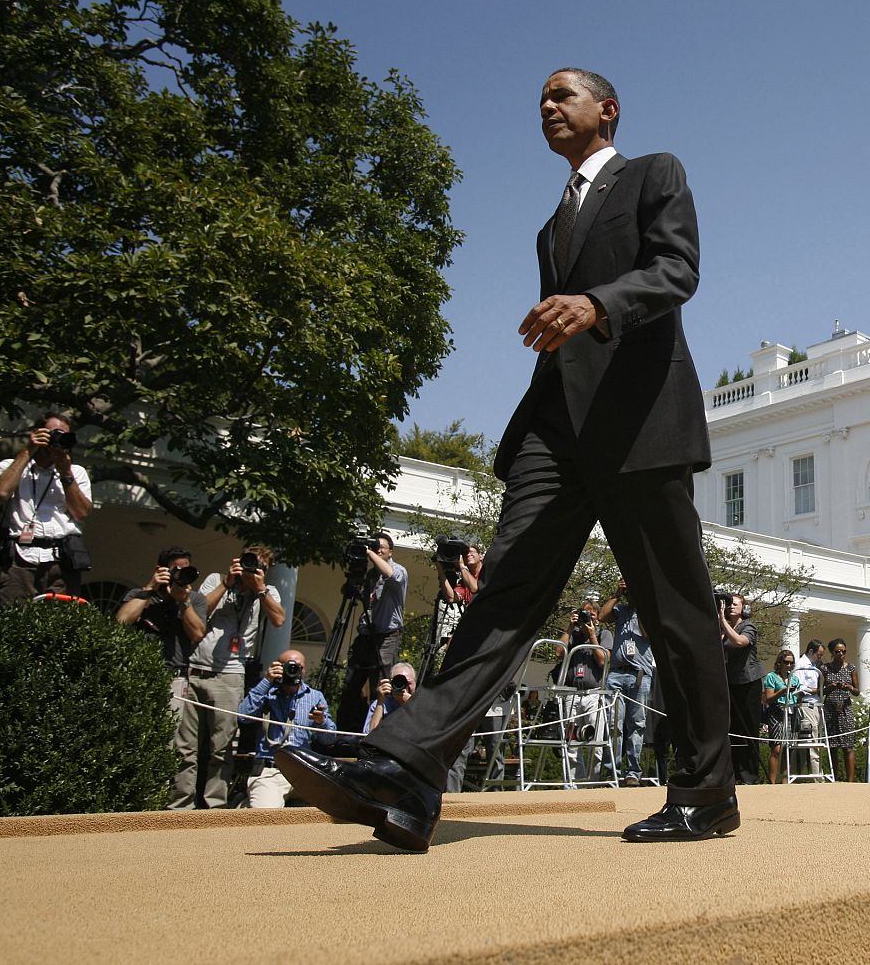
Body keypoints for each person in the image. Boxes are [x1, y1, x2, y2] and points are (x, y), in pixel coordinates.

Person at [278, 68, 737, 848]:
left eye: (563, 95)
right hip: (555, 432)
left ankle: (706, 792)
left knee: (676, 609)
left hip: (638, 426)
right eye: (540, 101)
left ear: (608, 109)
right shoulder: (550, 226)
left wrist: (597, 304)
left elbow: (677, 269)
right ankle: (407, 770)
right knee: (503, 594)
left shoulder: (654, 173)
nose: (548, 107)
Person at [175, 546, 285, 808]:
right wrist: (226, 583)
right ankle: (180, 806)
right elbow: (198, 613)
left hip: (231, 674)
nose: (251, 570)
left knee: (221, 748)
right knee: (185, 748)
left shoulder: (267, 592)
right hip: (197, 669)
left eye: (259, 567)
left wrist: (260, 589)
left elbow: (279, 619)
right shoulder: (216, 580)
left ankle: (215, 807)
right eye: (248, 563)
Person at [0, 411, 92, 602]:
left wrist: (65, 472)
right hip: (21, 557)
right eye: (53, 433)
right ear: (37, 433)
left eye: (64, 435)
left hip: (61, 559)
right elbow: (1, 492)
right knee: (14, 615)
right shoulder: (12, 465)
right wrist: (28, 450)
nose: (57, 439)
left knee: (60, 618)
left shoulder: (76, 472)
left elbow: (81, 513)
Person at [238, 650, 335, 808]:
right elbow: (243, 717)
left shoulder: (315, 697)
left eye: (298, 667)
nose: (293, 670)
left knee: (330, 811)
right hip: (270, 771)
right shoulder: (266, 694)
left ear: (304, 670)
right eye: (288, 666)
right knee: (266, 817)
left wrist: (321, 722)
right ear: (278, 667)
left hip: (304, 771)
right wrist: (266, 681)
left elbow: (329, 740)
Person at [338, 532, 408, 739]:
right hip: (366, 635)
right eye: (374, 547)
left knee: (381, 686)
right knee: (352, 684)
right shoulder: (370, 575)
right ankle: (344, 733)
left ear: (390, 551)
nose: (377, 550)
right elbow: (351, 593)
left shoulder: (398, 570)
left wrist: (369, 552)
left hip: (386, 636)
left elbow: (391, 575)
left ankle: (377, 733)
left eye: (381, 548)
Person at [116, 547, 206, 699]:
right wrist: (150, 588)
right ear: (160, 570)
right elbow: (121, 622)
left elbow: (197, 635)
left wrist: (184, 602)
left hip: (175, 677)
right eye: (176, 570)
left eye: (185, 570)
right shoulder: (139, 594)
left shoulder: (195, 599)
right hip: (139, 672)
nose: (180, 575)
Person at [601, 578, 656, 786]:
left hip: (639, 674)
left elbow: (647, 632)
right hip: (616, 673)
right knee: (613, 724)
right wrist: (617, 594)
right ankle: (612, 771)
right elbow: (602, 616)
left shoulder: (649, 611)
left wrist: (640, 603)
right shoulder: (621, 610)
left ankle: (633, 772)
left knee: (637, 725)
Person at [561, 600, 614, 782]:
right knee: (571, 743)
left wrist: (592, 636)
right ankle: (574, 785)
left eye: (591, 614)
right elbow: (559, 652)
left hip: (594, 695)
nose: (587, 618)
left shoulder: (603, 634)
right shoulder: (574, 635)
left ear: (597, 617)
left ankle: (593, 784)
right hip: (572, 694)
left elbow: (603, 661)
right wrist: (570, 628)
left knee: (595, 743)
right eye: (584, 614)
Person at [720, 592, 765, 785]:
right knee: (733, 728)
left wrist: (723, 621)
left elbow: (739, 641)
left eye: (735, 604)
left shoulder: (748, 626)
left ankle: (750, 774)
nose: (731, 606)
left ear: (744, 608)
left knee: (749, 727)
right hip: (731, 682)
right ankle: (735, 773)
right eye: (728, 604)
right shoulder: (723, 628)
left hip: (749, 682)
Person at [821, 638, 860, 782]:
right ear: (832, 652)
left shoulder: (851, 668)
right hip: (830, 710)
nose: (841, 654)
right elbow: (820, 691)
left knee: (848, 746)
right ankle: (834, 778)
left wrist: (849, 687)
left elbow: (857, 691)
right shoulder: (825, 668)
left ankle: (850, 781)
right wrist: (831, 687)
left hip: (845, 709)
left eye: (844, 651)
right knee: (832, 747)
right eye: (838, 651)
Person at [761, 649, 798, 784]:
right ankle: (772, 782)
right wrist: (783, 691)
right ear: (779, 663)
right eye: (786, 662)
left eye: (791, 663)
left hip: (792, 711)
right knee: (776, 748)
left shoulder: (794, 678)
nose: (788, 665)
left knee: (789, 748)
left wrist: (801, 693)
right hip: (776, 711)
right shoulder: (771, 677)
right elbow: (768, 698)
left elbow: (798, 695)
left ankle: (784, 781)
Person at [791, 639, 826, 778]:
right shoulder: (801, 665)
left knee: (812, 741)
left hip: (815, 705)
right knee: (813, 742)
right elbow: (799, 688)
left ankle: (802, 774)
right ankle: (817, 776)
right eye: (819, 655)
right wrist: (817, 690)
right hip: (807, 706)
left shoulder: (813, 666)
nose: (820, 658)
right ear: (811, 651)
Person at [366, 663, 418, 733]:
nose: (404, 686)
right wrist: (380, 702)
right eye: (399, 682)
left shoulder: (423, 703)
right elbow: (370, 734)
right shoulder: (381, 703)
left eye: (408, 683)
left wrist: (411, 704)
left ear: (415, 683)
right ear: (391, 683)